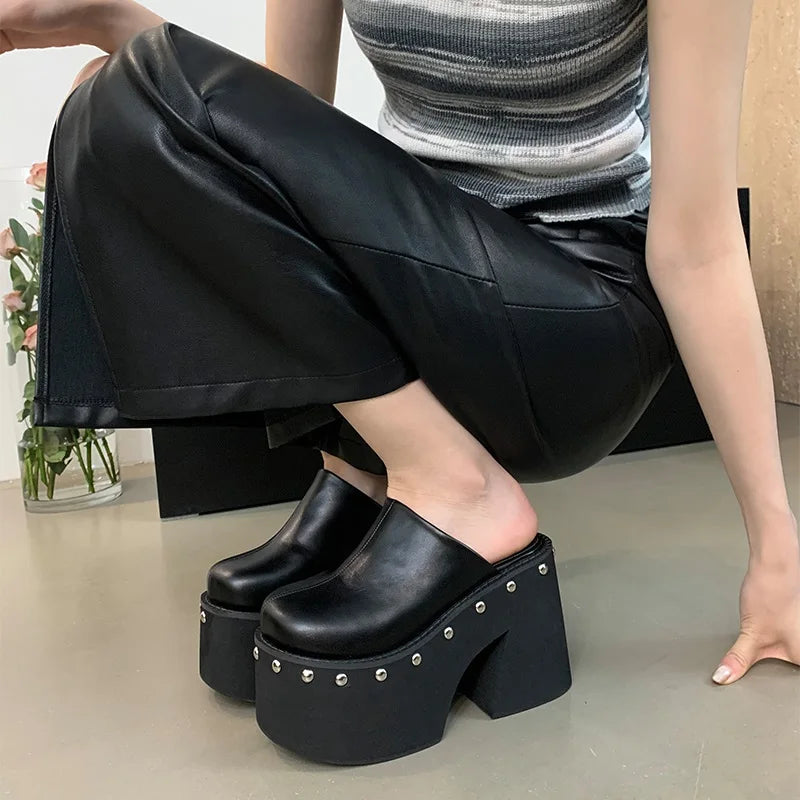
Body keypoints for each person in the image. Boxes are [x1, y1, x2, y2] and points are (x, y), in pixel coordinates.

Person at [2, 0, 798, 763]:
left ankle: (455, 487)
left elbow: (697, 247)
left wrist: (775, 546)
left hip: (577, 312)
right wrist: (108, 20)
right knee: (108, 97)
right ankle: (371, 472)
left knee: (137, 85)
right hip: (428, 287)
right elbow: (264, 152)